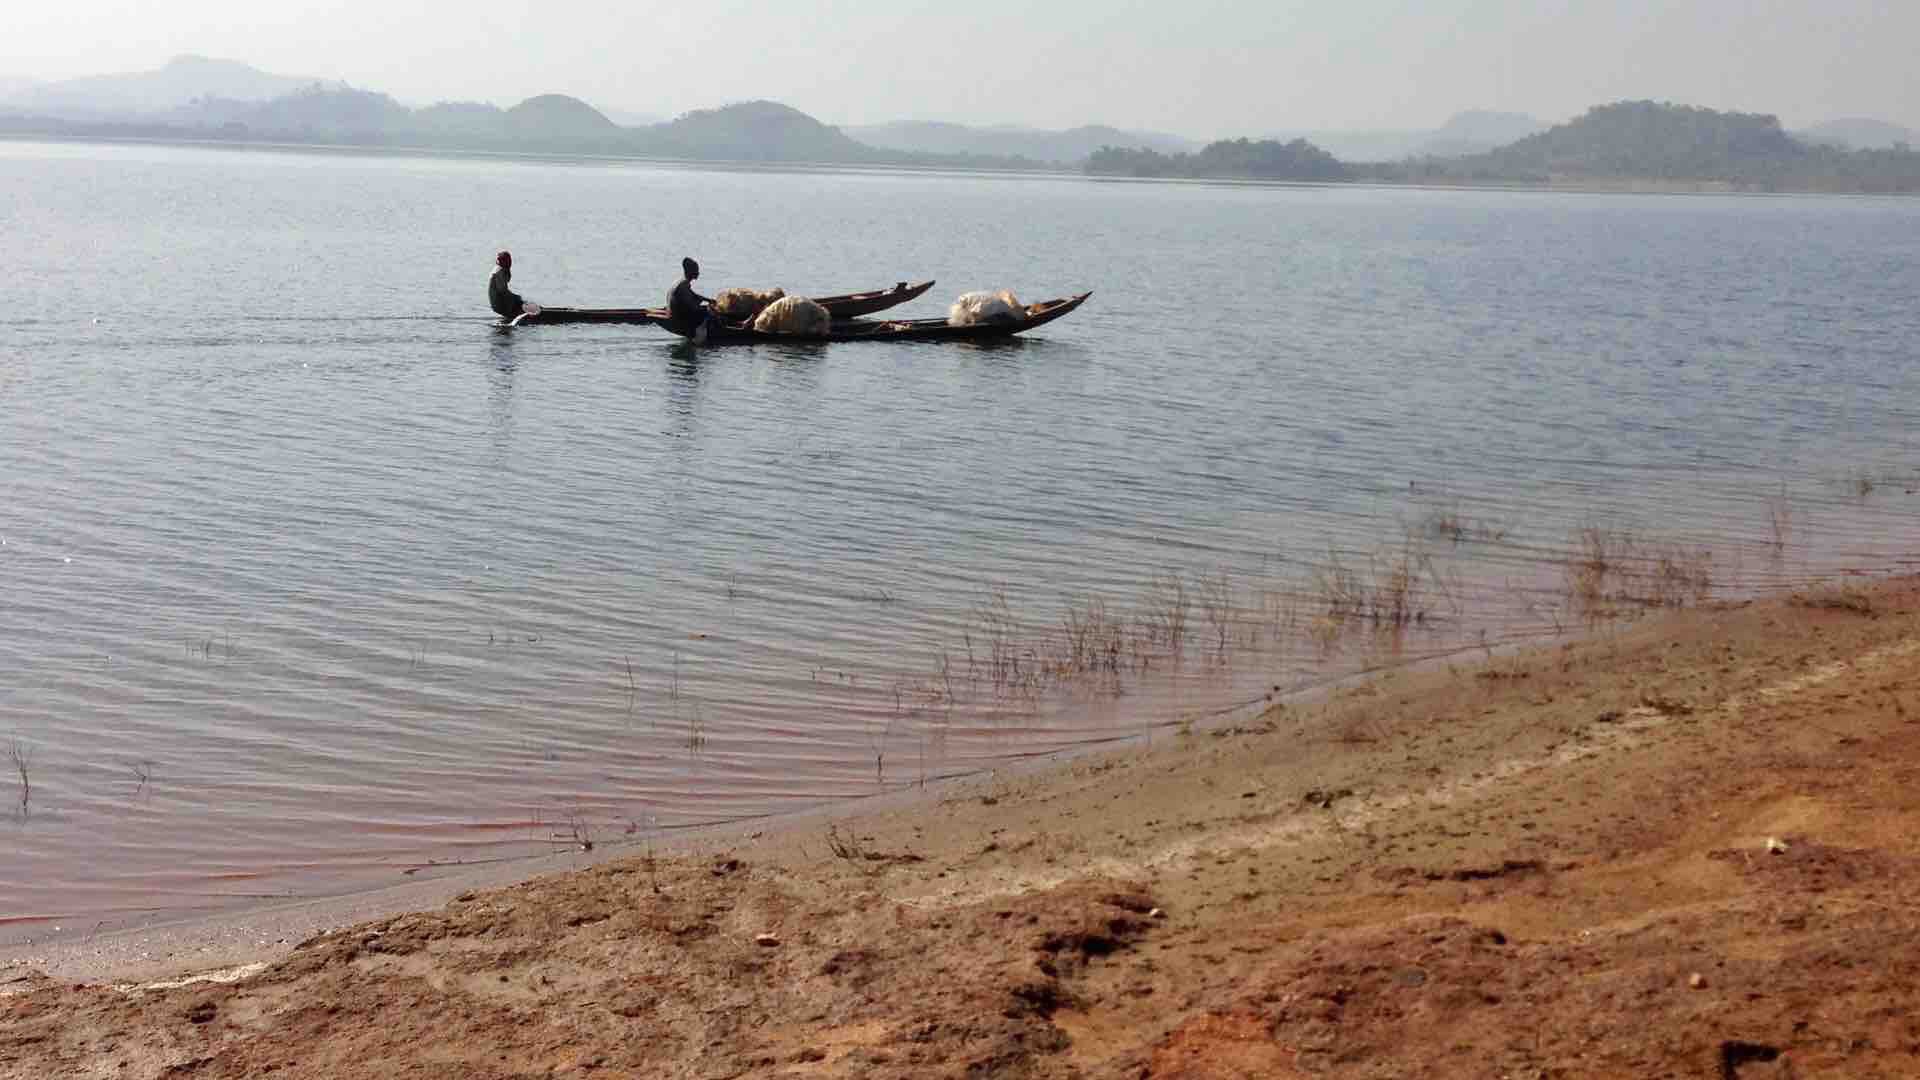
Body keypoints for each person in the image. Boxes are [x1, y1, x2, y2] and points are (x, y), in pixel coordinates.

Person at [667, 257, 714, 339]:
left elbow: (694, 295)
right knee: (710, 312)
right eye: (696, 270)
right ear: (689, 271)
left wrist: (709, 300)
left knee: (708, 308)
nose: (698, 272)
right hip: (679, 318)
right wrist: (708, 309)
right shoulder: (683, 285)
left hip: (676, 312)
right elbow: (692, 307)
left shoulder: (683, 281)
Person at [489, 251, 527, 319]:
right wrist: (516, 298)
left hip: (499, 301)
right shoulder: (499, 272)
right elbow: (502, 291)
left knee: (520, 302)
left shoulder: (500, 269)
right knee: (520, 303)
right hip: (499, 303)